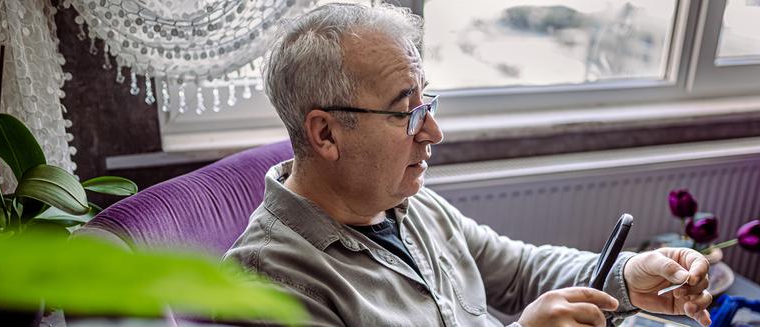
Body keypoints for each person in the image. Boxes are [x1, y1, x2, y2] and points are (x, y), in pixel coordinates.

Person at [224, 3, 712, 326]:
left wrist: (629, 276)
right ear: (325, 133)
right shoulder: (266, 283)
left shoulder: (407, 204)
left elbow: (521, 271)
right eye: (406, 113)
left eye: (428, 104)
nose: (433, 132)